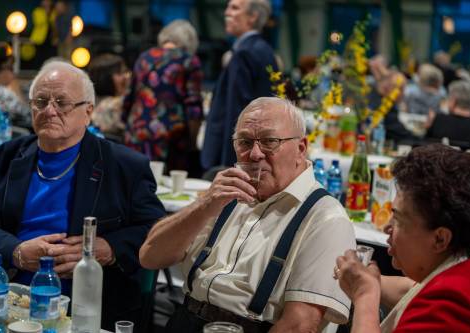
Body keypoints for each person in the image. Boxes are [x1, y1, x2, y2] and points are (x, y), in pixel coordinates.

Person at [140, 97, 356, 333]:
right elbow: (150, 257)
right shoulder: (224, 196)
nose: (254, 154)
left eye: (269, 141)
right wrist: (204, 206)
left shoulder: (325, 218)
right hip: (184, 321)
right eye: (244, 141)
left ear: (301, 149)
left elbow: (300, 325)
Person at [0, 61, 165, 332]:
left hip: (87, 303)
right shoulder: (6, 157)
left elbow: (157, 230)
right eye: (40, 101)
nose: (49, 110)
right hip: (10, 297)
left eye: (62, 102)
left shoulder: (124, 166)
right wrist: (14, 251)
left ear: (87, 112)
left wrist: (109, 249)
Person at [334, 144, 470, 333]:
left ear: (440, 239)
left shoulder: (451, 305)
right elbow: (411, 291)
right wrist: (368, 280)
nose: (388, 227)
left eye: (399, 218)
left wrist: (365, 296)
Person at [201, 0, 278, 171]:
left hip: (232, 152)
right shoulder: (264, 50)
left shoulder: (244, 53)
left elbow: (236, 112)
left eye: (234, 8)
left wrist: (228, 163)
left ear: (252, 17)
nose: (226, 12)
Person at [123, 19, 203, 176]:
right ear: (190, 42)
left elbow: (129, 98)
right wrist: (193, 144)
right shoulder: (189, 60)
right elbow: (194, 107)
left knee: (135, 185)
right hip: (170, 138)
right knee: (167, 189)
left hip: (136, 133)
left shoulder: (144, 57)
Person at [425, 80, 470, 164]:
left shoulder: (438, 120)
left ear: (453, 101)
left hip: (441, 170)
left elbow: (425, 148)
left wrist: (427, 127)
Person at [88, 53, 130, 141]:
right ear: (105, 78)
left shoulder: (90, 102)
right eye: (119, 73)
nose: (126, 77)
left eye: (126, 72)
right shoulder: (116, 104)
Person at [0, 41, 31, 129]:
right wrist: (17, 91)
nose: (13, 74)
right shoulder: (2, 91)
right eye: (10, 68)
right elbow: (29, 117)